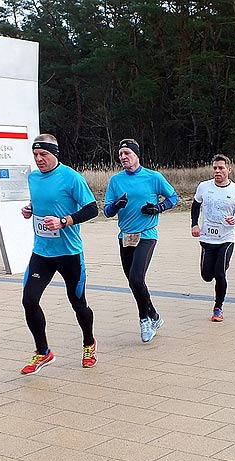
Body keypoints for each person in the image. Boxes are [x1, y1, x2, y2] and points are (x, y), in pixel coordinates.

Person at [20, 134, 98, 374]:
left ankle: (89, 343)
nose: (39, 159)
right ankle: (43, 353)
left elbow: (93, 209)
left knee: (78, 303)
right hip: (42, 252)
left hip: (69, 253)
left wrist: (65, 221)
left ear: (55, 153)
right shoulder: (33, 178)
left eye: (43, 154)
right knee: (29, 301)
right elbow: (43, 203)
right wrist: (30, 209)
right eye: (35, 155)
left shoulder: (72, 178)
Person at [104, 138, 178, 343]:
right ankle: (154, 315)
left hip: (147, 233)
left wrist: (159, 208)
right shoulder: (115, 181)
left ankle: (144, 319)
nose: (123, 157)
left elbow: (173, 197)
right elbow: (106, 211)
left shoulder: (153, 177)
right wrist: (116, 205)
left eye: (127, 153)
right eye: (120, 154)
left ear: (137, 155)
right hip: (126, 236)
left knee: (136, 278)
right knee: (133, 281)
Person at [191, 154, 235, 322]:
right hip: (207, 238)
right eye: (215, 168)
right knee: (207, 275)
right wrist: (194, 224)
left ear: (229, 170)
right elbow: (195, 206)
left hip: (226, 238)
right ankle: (215, 272)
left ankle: (218, 307)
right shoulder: (203, 187)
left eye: (221, 168)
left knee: (220, 272)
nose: (217, 171)